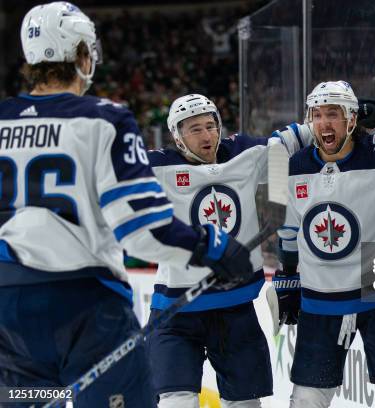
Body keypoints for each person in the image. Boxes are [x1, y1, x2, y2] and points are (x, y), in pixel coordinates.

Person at [0, 4, 252, 407]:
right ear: (82, 55)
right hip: (84, 308)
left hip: (8, 310)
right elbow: (143, 231)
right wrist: (213, 247)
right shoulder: (105, 119)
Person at [146, 93, 312, 408]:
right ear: (177, 136)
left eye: (211, 125)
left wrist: (359, 111)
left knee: (246, 404)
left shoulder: (244, 153)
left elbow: (301, 135)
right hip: (176, 312)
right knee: (176, 403)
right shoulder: (158, 166)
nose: (207, 135)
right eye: (195, 129)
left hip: (235, 309)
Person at [275, 81, 375, 408]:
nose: (323, 123)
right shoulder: (297, 165)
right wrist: (288, 273)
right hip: (322, 300)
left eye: (332, 114)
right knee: (307, 399)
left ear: (351, 118)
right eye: (316, 115)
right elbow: (291, 227)